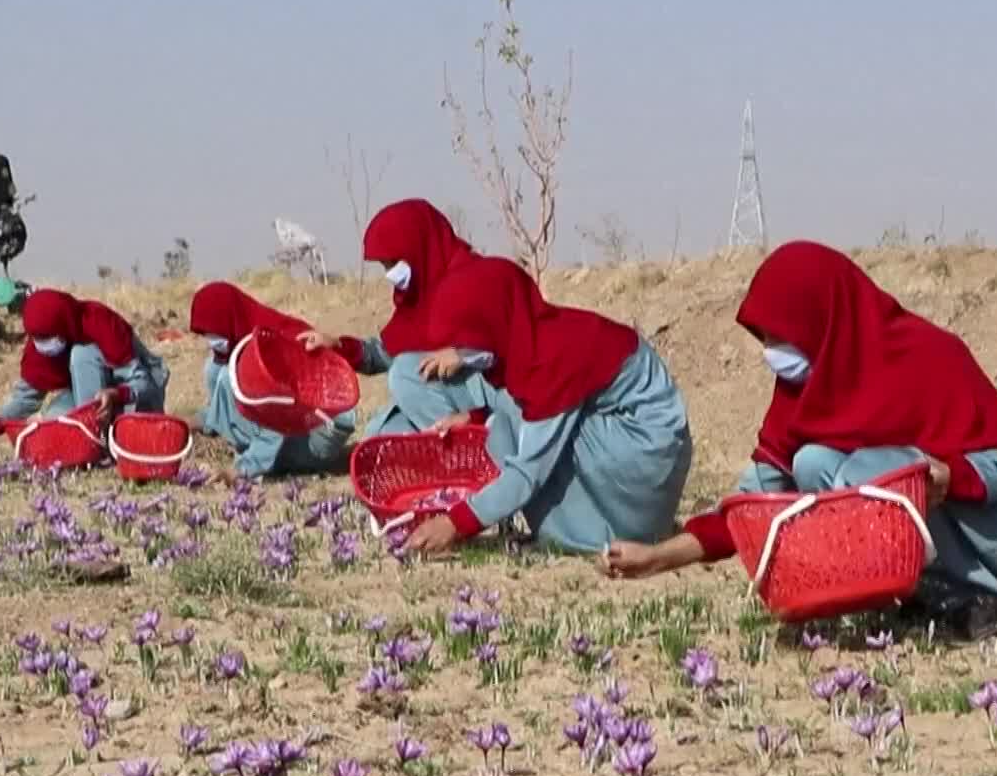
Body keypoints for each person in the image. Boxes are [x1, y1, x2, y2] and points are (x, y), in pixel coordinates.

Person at [597, 240, 997, 642]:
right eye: (765, 337)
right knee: (814, 464)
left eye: (782, 336)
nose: (773, 353)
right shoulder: (806, 392)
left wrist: (951, 476)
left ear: (822, 322)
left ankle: (986, 593)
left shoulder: (928, 359)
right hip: (932, 512)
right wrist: (659, 557)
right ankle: (925, 590)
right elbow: (752, 502)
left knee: (863, 475)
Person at [381, 255, 694, 555]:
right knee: (509, 427)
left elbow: (528, 471)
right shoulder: (535, 339)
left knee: (525, 452)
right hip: (638, 466)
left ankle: (591, 536)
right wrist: (477, 417)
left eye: (465, 342)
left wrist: (454, 523)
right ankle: (591, 528)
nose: (462, 353)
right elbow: (526, 410)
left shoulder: (550, 361)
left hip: (646, 466)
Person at [350, 198, 516, 439]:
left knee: (406, 372)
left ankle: (472, 446)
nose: (390, 274)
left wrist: (463, 355)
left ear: (418, 248)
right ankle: (446, 446)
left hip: (496, 397)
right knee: (381, 435)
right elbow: (390, 351)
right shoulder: (419, 293)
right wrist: (339, 348)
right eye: (385, 266)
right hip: (453, 400)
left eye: (393, 263)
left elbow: (509, 346)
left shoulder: (477, 278)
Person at [187, 281, 389, 479]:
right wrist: (191, 423)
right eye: (205, 334)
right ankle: (323, 459)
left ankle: (321, 459)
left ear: (229, 319)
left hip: (318, 429)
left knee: (226, 377)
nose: (211, 339)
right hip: (298, 427)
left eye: (212, 332)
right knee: (216, 370)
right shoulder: (237, 348)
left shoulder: (271, 346)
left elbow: (276, 421)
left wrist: (241, 470)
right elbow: (228, 407)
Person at [0, 288, 170, 457]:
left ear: (64, 324)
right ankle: (89, 437)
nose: (43, 346)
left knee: (82, 354)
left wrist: (115, 395)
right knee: (54, 417)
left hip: (133, 399)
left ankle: (96, 444)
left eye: (47, 338)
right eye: (38, 339)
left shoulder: (102, 324)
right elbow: (25, 398)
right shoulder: (39, 346)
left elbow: (144, 384)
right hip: (88, 400)